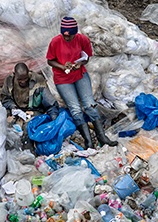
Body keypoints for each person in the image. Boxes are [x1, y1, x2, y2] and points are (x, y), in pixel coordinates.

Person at [46, 16, 117, 148]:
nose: (67, 38)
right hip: (62, 79)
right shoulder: (55, 42)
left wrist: (81, 63)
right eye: (64, 36)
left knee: (90, 105)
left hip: (80, 74)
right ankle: (88, 141)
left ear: (75, 33)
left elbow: (87, 57)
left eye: (70, 36)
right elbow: (50, 60)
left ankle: (102, 136)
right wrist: (62, 66)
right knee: (75, 109)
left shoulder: (82, 39)